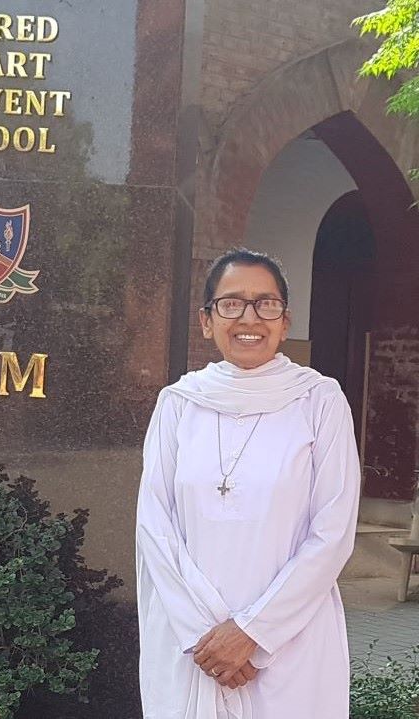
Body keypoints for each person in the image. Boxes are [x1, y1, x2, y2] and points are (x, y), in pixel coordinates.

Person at [135, 249, 361, 718]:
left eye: (266, 304)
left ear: (285, 320)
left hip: (290, 644)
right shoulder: (178, 403)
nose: (249, 318)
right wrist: (209, 637)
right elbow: (154, 527)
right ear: (206, 320)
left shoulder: (318, 400)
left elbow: (333, 530)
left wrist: (254, 633)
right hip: (192, 644)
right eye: (232, 303)